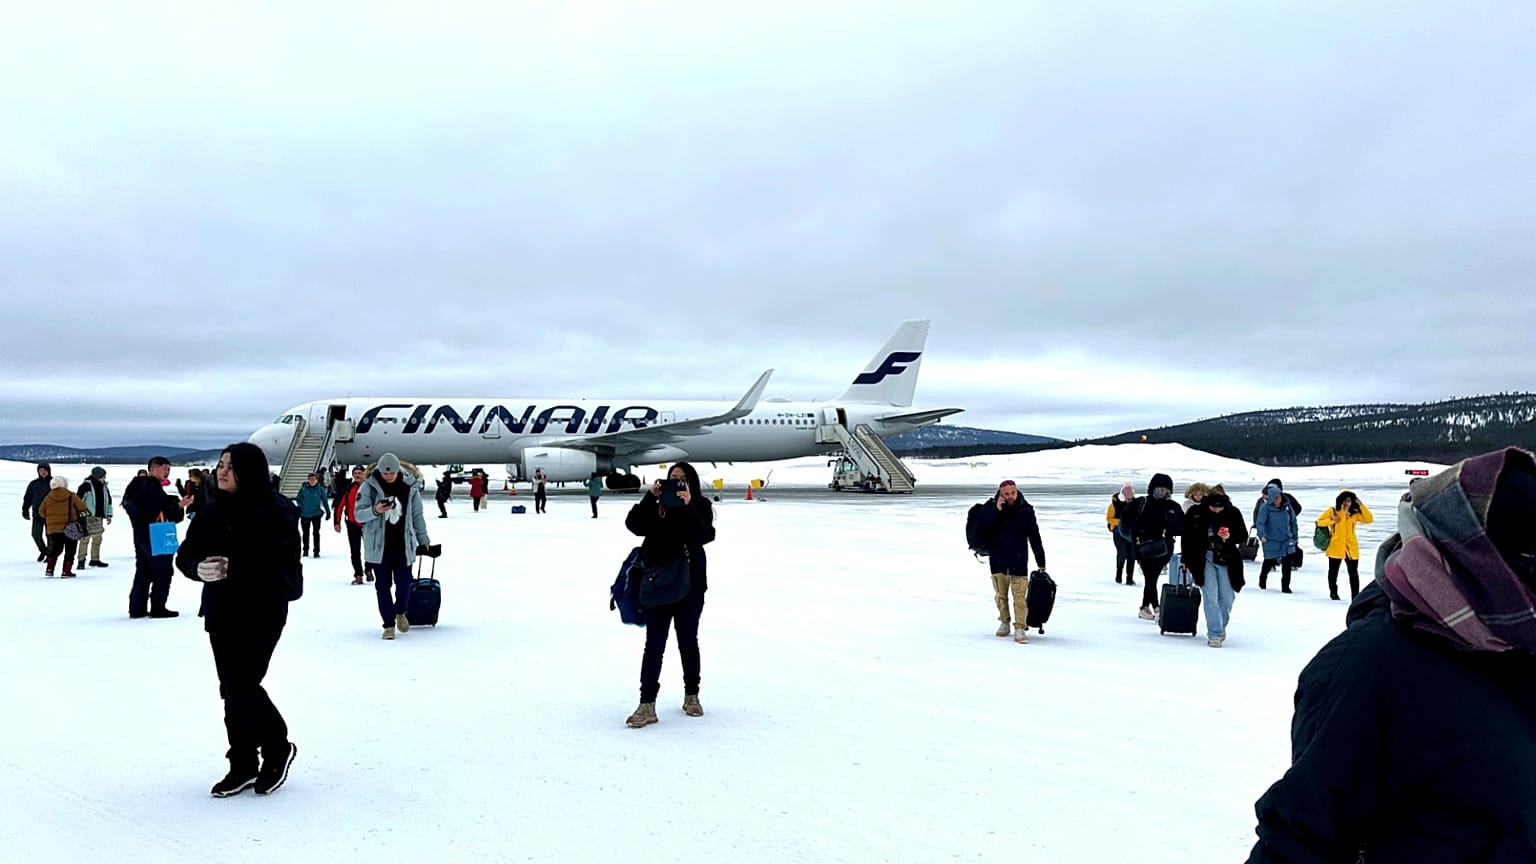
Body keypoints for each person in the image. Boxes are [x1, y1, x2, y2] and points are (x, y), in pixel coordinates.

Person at [1247, 446, 1536, 862]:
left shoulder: (1521, 638)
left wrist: (1356, 508)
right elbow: (1299, 840)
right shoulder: (1371, 668)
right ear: (1483, 558)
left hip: (1349, 555)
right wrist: (1335, 514)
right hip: (1336, 552)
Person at [175, 442, 301, 798]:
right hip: (221, 611)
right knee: (230, 690)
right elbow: (185, 555)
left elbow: (287, 571)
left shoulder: (278, 512)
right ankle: (242, 762)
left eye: (231, 465)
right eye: (220, 464)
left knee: (242, 684)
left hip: (263, 612)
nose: (222, 471)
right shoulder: (211, 511)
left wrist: (237, 568)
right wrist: (196, 569)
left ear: (251, 470)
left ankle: (277, 748)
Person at [624, 461, 716, 728]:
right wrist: (649, 497)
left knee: (688, 642)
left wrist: (688, 506)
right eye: (672, 478)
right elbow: (634, 526)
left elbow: (704, 535)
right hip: (658, 584)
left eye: (682, 479)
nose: (677, 483)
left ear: (691, 483)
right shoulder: (657, 508)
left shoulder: (700, 506)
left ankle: (691, 695)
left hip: (690, 586)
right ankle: (646, 704)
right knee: (654, 646)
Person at [353, 454, 432, 639]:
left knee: (404, 584)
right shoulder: (368, 487)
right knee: (382, 586)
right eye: (385, 473)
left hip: (404, 545)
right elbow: (358, 515)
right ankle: (388, 625)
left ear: (398, 471)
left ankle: (401, 612)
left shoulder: (410, 487)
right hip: (379, 547)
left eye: (392, 473)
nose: (388, 476)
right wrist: (375, 510)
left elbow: (417, 516)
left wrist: (424, 540)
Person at [972, 479, 1047, 643]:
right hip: (998, 559)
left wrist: (1041, 561)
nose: (1010, 497)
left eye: (1012, 493)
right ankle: (1004, 622)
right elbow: (979, 529)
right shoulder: (990, 508)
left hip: (1018, 560)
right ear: (1000, 494)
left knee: (1019, 596)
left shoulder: (1026, 510)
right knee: (1001, 595)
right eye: (1006, 494)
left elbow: (1034, 537)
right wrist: (996, 511)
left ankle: (1020, 627)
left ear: (1017, 491)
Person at [122, 456, 194, 618]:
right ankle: (158, 607)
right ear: (152, 469)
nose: (167, 472)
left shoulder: (137, 486)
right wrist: (179, 506)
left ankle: (137, 608)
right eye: (164, 469)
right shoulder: (151, 487)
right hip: (156, 534)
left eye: (168, 469)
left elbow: (141, 508)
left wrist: (172, 503)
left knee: (144, 570)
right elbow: (159, 511)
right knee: (163, 571)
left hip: (141, 534)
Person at [1181, 492, 1247, 647]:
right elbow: (1187, 537)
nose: (1217, 510)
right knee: (1210, 595)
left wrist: (1229, 537)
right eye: (1213, 507)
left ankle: (1221, 625)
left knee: (1227, 596)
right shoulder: (1195, 513)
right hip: (1202, 559)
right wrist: (1185, 559)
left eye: (1220, 507)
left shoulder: (1233, 512)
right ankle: (1214, 633)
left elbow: (1242, 535)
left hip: (1227, 558)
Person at [1122, 472, 1184, 620]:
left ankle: (1145, 607)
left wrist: (1172, 530)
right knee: (1151, 578)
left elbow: (1182, 526)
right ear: (1153, 488)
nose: (1164, 493)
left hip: (1165, 549)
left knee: (1152, 578)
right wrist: (1135, 536)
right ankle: (1156, 608)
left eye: (1167, 490)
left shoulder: (1173, 507)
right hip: (1144, 549)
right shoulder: (1140, 503)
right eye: (1161, 489)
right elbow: (1124, 524)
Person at [1318, 490, 1374, 600]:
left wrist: (1361, 505)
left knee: (1353, 573)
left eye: (1349, 500)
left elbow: (1369, 519)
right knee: (1333, 572)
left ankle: (1355, 596)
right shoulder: (1333, 511)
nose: (1347, 503)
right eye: (1345, 500)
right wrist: (1332, 520)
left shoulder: (1354, 514)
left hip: (1350, 548)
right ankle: (1333, 592)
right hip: (1336, 547)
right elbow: (1320, 522)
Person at [37, 476, 88, 578]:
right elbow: (82, 507)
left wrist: (52, 518)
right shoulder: (71, 495)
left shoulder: (48, 497)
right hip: (70, 527)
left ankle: (49, 569)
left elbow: (41, 512)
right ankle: (66, 571)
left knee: (54, 550)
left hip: (53, 529)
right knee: (70, 550)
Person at [1254, 483, 1299, 592]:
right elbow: (1260, 523)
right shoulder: (1265, 508)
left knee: (1287, 564)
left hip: (1287, 539)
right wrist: (1261, 535)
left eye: (1278, 497)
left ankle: (1285, 586)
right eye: (1273, 498)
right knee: (1269, 561)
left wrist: (1295, 536)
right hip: (1271, 539)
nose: (1276, 500)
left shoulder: (1287, 507)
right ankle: (1262, 580)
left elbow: (1293, 521)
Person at [333, 466, 372, 585]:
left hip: (368, 523)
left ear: (365, 474)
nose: (357, 475)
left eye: (360, 473)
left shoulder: (371, 488)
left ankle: (369, 568)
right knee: (355, 551)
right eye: (355, 473)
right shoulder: (349, 488)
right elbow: (340, 505)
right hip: (352, 523)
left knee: (371, 549)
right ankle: (358, 574)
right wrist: (337, 521)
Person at [75, 467, 114, 569]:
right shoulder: (85, 486)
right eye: (103, 476)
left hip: (99, 516)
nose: (104, 478)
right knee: (85, 539)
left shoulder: (104, 486)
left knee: (98, 538)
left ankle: (95, 559)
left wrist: (109, 514)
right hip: (87, 517)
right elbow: (77, 500)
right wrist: (80, 513)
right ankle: (81, 560)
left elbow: (108, 501)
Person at [294, 472, 330, 558]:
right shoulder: (303, 489)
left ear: (317, 480)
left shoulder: (320, 489)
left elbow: (325, 501)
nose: (312, 481)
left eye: (314, 479)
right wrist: (301, 506)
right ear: (308, 480)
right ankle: (305, 550)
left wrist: (328, 512)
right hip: (305, 514)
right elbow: (298, 499)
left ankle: (316, 551)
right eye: (310, 479)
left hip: (316, 514)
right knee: (305, 533)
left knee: (316, 533)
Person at [22, 462, 53, 562]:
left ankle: (50, 555)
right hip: (37, 514)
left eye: (44, 470)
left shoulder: (54, 483)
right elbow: (28, 498)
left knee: (50, 536)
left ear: (48, 471)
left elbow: (62, 497)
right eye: (40, 470)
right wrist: (25, 510)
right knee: (35, 534)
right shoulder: (33, 484)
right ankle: (44, 551)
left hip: (51, 515)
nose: (43, 472)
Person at [1106, 481, 1136, 584]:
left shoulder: (1135, 505)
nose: (1129, 501)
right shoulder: (1114, 505)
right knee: (1122, 554)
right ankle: (1118, 576)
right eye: (1128, 499)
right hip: (1118, 533)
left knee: (1132, 555)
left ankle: (1129, 578)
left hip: (1130, 533)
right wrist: (1121, 521)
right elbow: (1109, 518)